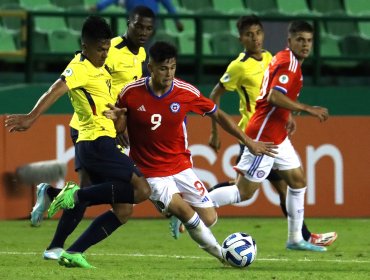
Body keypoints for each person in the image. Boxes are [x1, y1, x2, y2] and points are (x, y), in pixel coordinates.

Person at [102, 41, 277, 263]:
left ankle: (175, 215)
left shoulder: (185, 92)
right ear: (151, 67)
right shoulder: (131, 92)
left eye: (173, 67)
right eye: (163, 68)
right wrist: (118, 123)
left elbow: (218, 115)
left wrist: (248, 140)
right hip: (150, 171)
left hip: (180, 165)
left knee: (210, 218)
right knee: (188, 214)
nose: (169, 73)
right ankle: (223, 256)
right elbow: (120, 127)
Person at [5, 15, 151, 268]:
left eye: (107, 48)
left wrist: (119, 121)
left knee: (123, 210)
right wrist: (31, 117)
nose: (105, 54)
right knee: (142, 190)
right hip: (96, 142)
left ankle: (58, 242)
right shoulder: (80, 67)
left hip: (100, 139)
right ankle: (68, 196)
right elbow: (55, 89)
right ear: (85, 46)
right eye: (100, 49)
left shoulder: (101, 66)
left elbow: (106, 102)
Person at [206, 15, 337, 247]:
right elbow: (274, 96)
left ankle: (297, 238)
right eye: (300, 40)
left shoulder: (277, 57)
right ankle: (192, 208)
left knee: (297, 181)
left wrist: (287, 116)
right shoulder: (286, 63)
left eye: (309, 40)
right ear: (289, 40)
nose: (305, 44)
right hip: (263, 137)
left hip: (277, 134)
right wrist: (308, 108)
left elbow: (276, 94)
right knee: (243, 193)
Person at [90, 0, 184, 32]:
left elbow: (167, 4)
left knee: (145, 47)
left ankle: (144, 73)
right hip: (134, 21)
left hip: (150, 21)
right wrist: (98, 6)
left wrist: (177, 20)